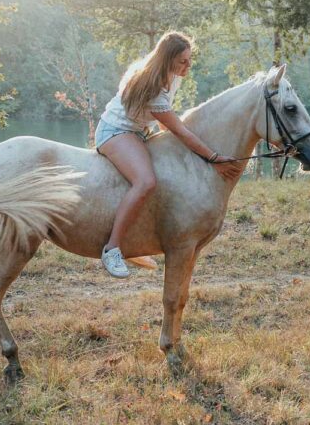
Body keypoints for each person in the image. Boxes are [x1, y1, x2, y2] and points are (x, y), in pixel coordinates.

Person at [94, 31, 239, 278]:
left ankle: (132, 242)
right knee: (145, 181)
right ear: (168, 60)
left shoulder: (171, 76)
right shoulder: (153, 86)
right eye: (183, 61)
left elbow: (166, 121)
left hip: (139, 132)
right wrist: (213, 158)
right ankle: (112, 249)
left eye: (190, 59)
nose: (188, 65)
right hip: (115, 131)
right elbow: (179, 129)